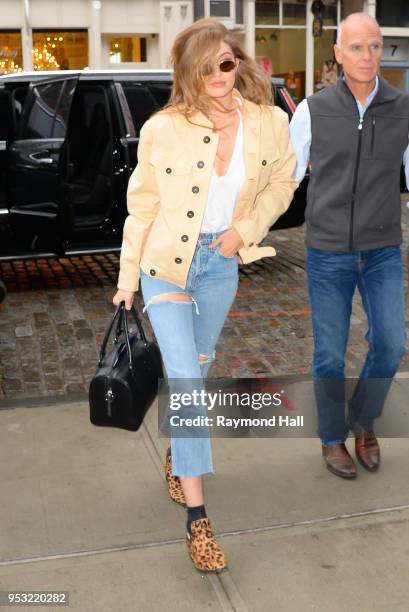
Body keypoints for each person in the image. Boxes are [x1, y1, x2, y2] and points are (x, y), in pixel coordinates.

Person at [113, 17, 297, 572]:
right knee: (190, 384)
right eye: (205, 68)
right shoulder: (162, 128)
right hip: (165, 267)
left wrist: (246, 231)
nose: (219, 75)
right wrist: (126, 283)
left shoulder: (268, 122)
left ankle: (180, 453)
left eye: (225, 62)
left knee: (196, 366)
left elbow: (284, 182)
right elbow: (141, 209)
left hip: (220, 265)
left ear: (236, 61)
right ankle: (198, 520)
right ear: (189, 76)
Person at [290, 12, 409, 479]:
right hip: (327, 251)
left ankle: (364, 419)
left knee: (391, 342)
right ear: (338, 53)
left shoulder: (402, 108)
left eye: (375, 46)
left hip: (382, 249)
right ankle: (332, 438)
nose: (367, 56)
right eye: (357, 47)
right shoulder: (312, 110)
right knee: (329, 353)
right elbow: (284, 177)